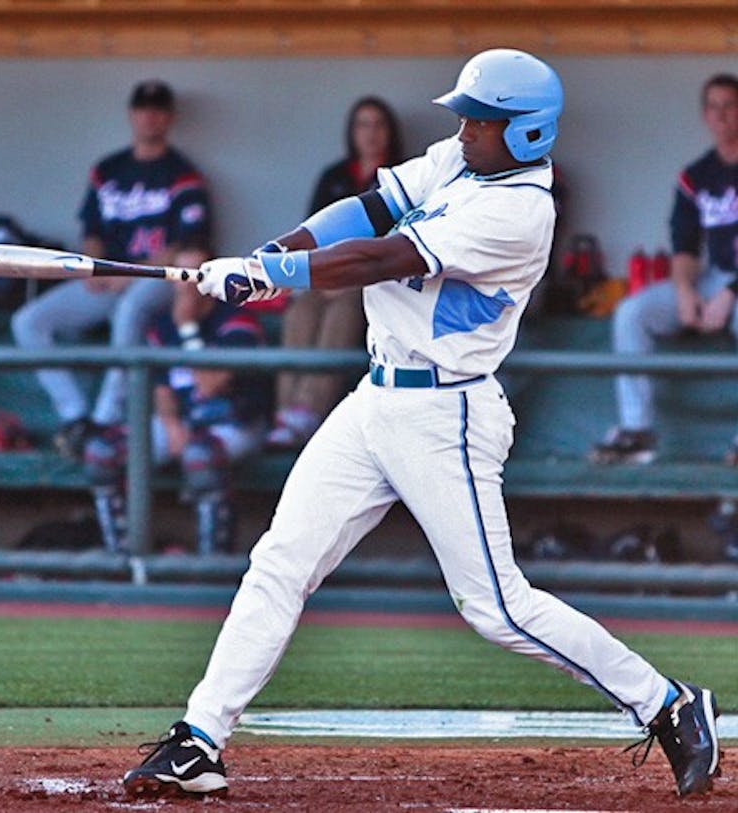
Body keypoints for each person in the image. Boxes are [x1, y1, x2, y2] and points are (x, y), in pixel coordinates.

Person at [121, 50, 721, 800]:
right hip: (375, 396)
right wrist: (273, 253)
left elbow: (382, 254)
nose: (465, 127)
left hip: (448, 413)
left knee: (497, 607)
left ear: (527, 134)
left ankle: (668, 703)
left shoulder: (520, 209)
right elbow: (365, 210)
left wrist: (274, 278)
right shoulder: (461, 160)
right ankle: (199, 737)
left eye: (482, 118)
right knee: (281, 559)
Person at [10, 79, 213, 461]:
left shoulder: (183, 174)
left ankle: (104, 419)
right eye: (142, 108)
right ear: (131, 114)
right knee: (28, 321)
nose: (149, 117)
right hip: (108, 277)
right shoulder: (108, 170)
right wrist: (94, 267)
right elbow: (91, 233)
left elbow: (187, 245)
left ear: (168, 118)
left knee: (130, 310)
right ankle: (75, 416)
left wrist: (129, 272)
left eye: (157, 110)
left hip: (157, 279)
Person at [590, 72, 738, 464]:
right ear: (705, 115)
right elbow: (685, 247)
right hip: (714, 277)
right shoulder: (697, 175)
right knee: (632, 312)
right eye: (714, 107)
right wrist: (687, 291)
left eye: (730, 106)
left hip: (733, 287)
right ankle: (638, 430)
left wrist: (731, 293)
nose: (722, 116)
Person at [83, 282, 268, 555]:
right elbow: (163, 388)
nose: (186, 292)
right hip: (186, 422)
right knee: (102, 452)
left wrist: (188, 328)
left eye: (193, 283)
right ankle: (124, 563)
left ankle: (212, 570)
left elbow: (208, 384)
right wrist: (170, 424)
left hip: (236, 422)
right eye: (180, 286)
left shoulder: (236, 320)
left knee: (201, 457)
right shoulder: (163, 326)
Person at [268, 96, 406, 449]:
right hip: (327, 276)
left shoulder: (404, 176)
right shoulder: (334, 176)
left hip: (376, 285)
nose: (370, 133)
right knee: (301, 309)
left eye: (378, 125)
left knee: (344, 308)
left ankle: (308, 411)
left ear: (390, 132)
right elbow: (311, 236)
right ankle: (286, 412)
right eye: (363, 125)